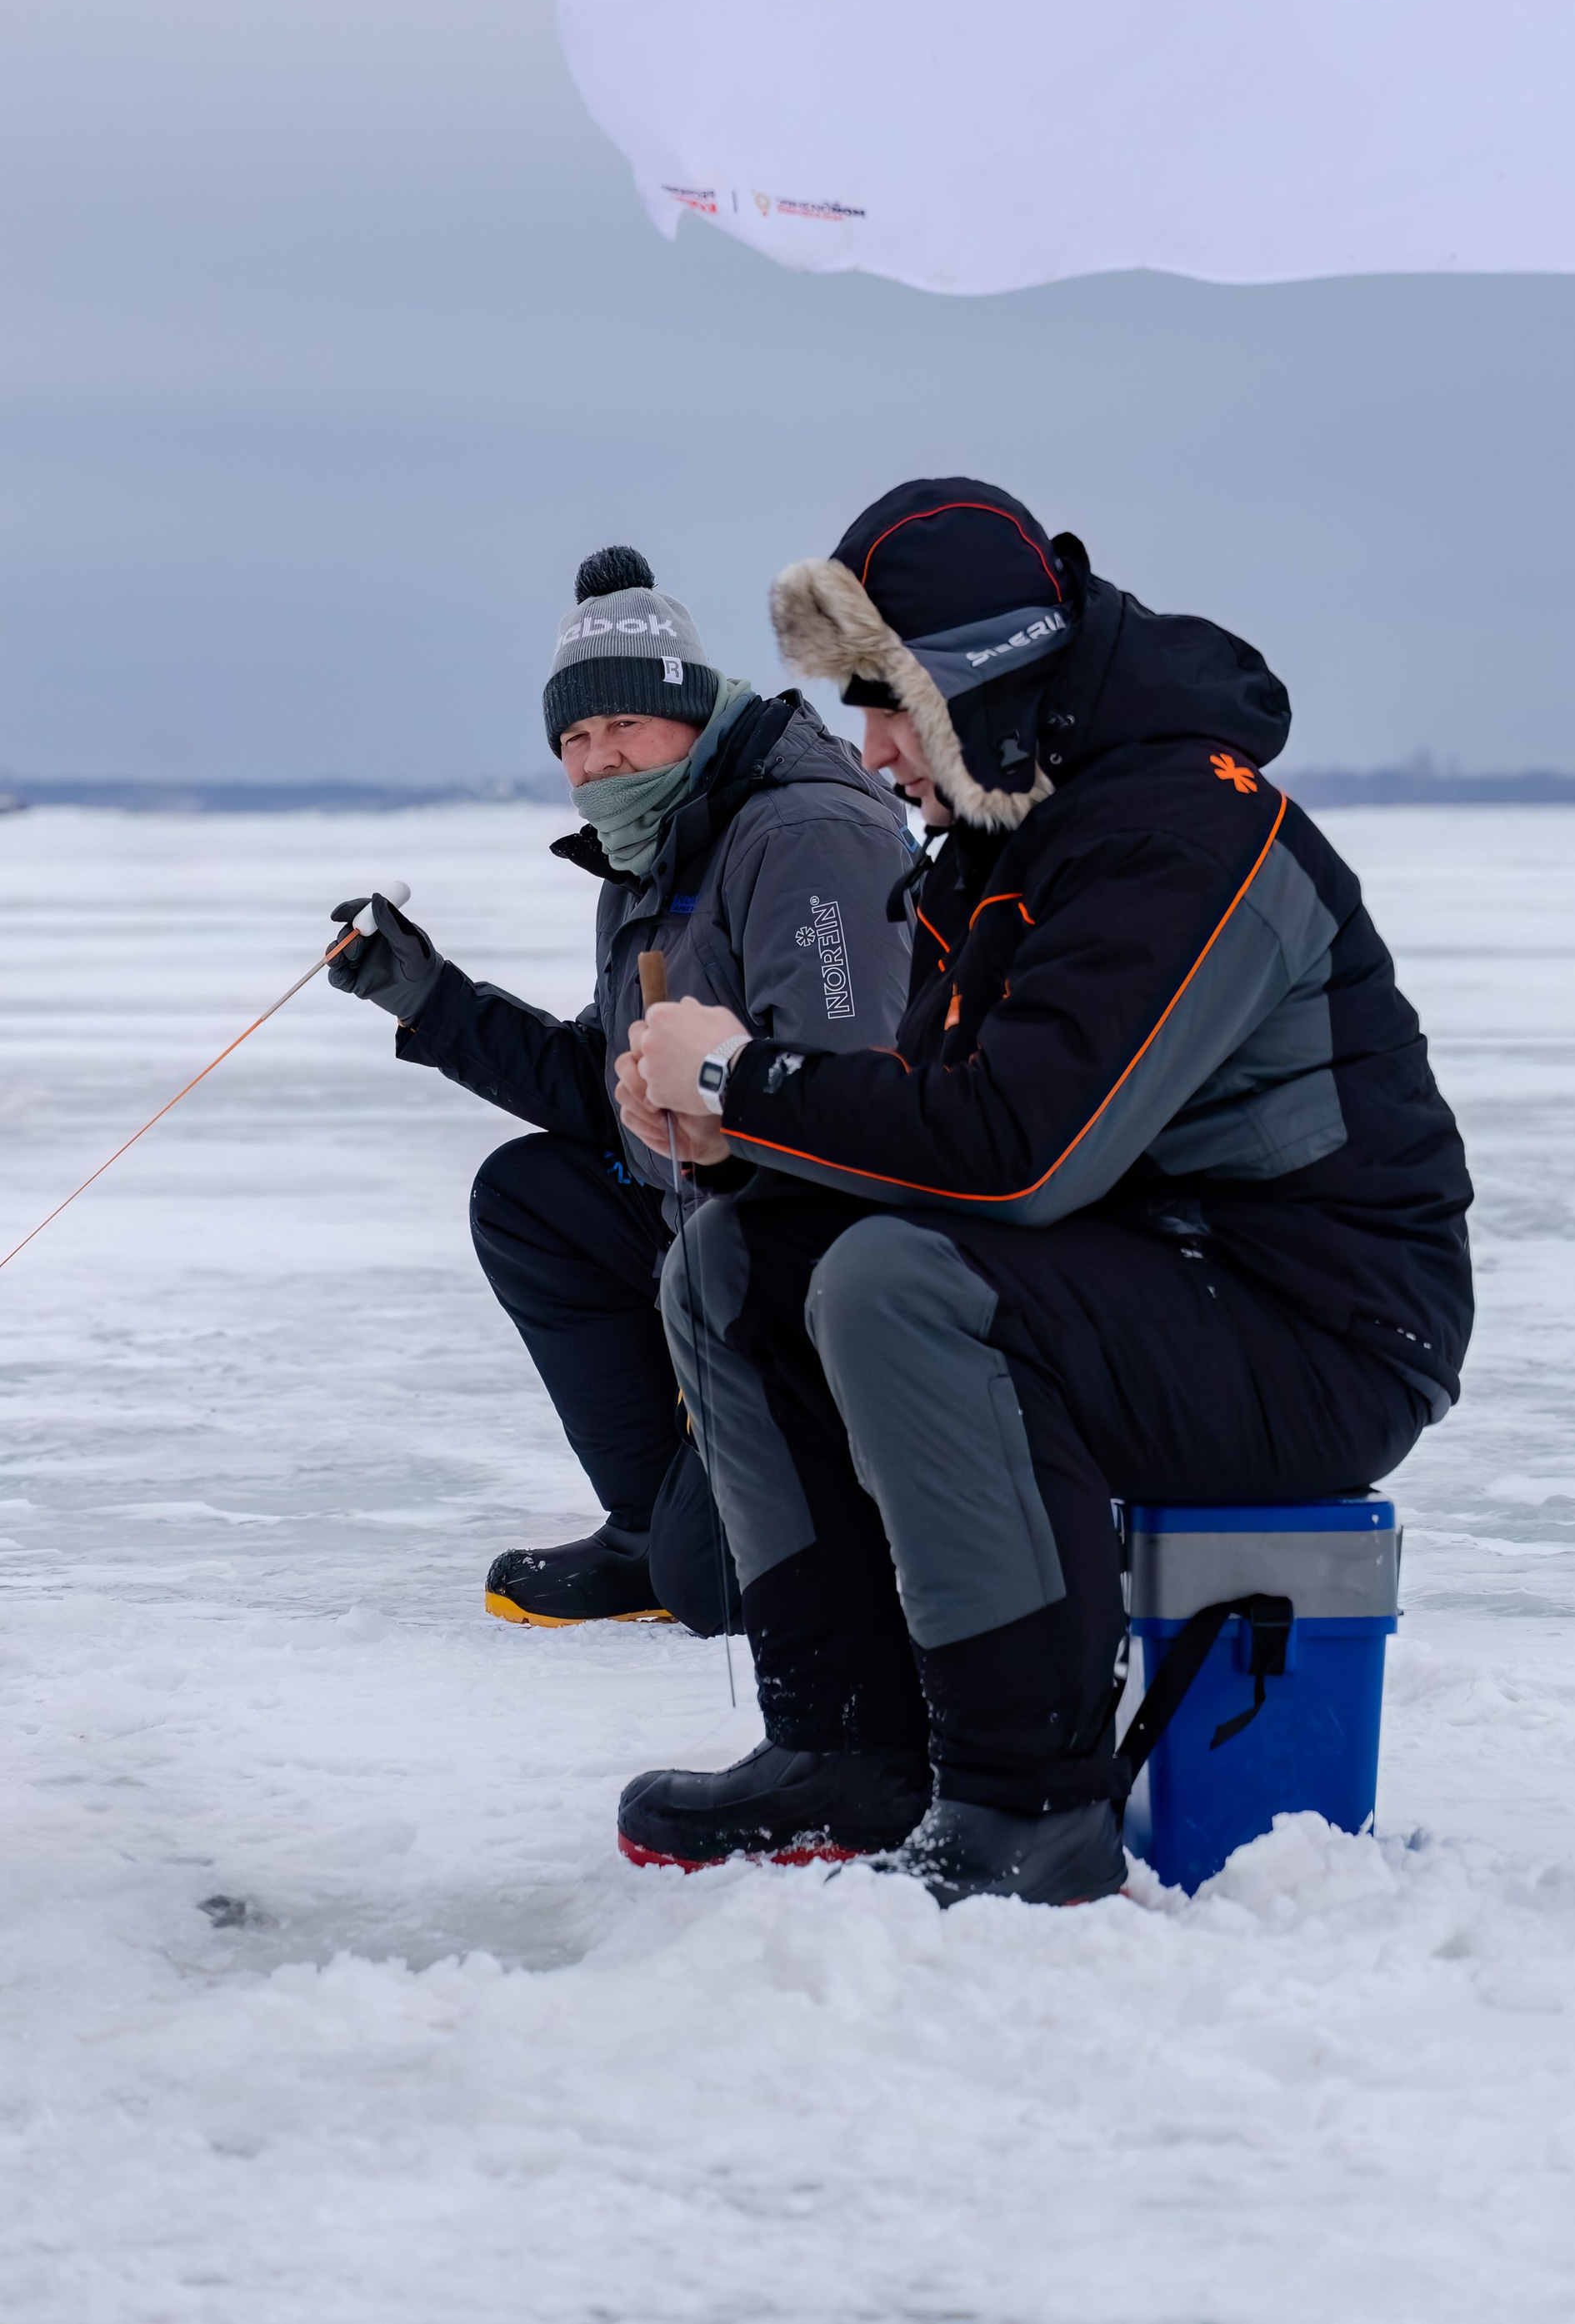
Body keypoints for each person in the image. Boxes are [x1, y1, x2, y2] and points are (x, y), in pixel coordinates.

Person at [612, 477, 1475, 1902]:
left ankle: (1029, 1802)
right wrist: (742, 1142)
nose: (873, 750)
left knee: (899, 1286)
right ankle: (848, 1750)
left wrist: (744, 1079)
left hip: (1322, 1329)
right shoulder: (1019, 837)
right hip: (1150, 1269)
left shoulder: (1180, 836)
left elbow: (1021, 1152)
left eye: (887, 706)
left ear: (974, 685)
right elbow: (936, 1125)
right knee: (737, 1261)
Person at [328, 543, 913, 1634]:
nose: (599, 760)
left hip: (817, 1269)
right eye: (576, 739)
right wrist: (430, 998)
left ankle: (834, 1512)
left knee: (721, 1588)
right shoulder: (656, 852)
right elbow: (607, 1087)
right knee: (531, 1195)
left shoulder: (807, 834)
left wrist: (718, 1131)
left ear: (688, 714)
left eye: (623, 727)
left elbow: (853, 1106)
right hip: (701, 1228)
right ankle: (653, 1524)